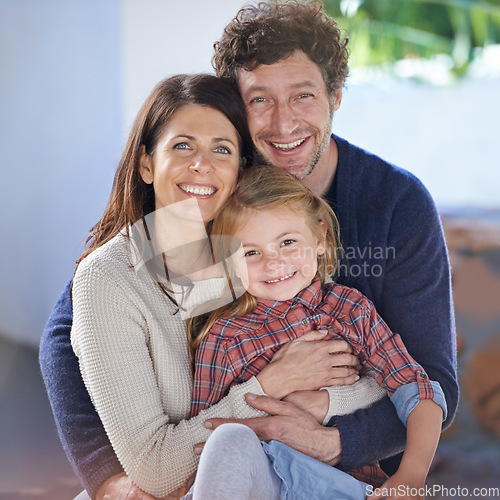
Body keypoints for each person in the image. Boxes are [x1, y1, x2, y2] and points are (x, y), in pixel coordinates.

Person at [40, 0, 458, 498]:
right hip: (215, 453)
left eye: (303, 95)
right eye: (260, 100)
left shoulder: (397, 205)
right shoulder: (218, 189)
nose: (283, 125)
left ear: (336, 96)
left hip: (346, 462)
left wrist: (334, 437)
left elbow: (429, 379)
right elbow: (75, 323)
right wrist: (107, 477)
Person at [186, 165, 447, 499]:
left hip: (340, 487)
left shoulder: (349, 309)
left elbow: (418, 390)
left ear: (320, 238)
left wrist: (411, 475)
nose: (274, 262)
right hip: (264, 483)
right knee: (226, 441)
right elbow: (205, 442)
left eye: (288, 242)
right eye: (250, 252)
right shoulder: (224, 337)